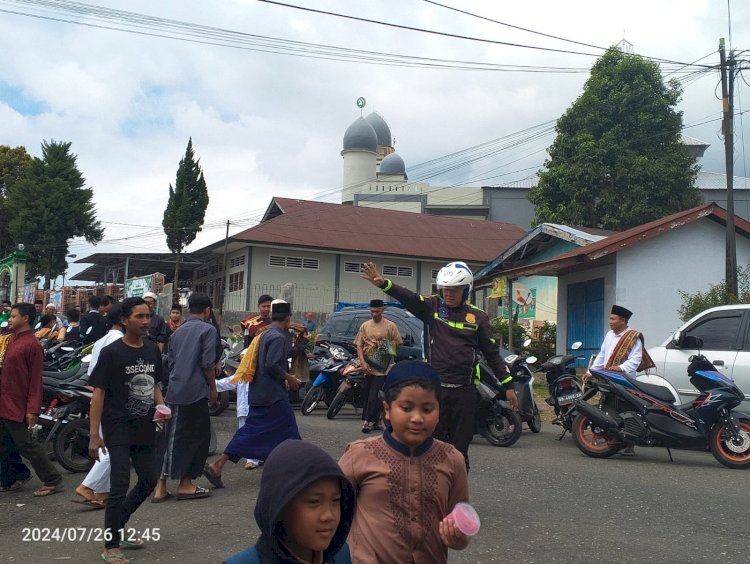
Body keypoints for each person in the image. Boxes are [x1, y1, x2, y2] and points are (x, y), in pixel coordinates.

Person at [361, 261, 516, 472]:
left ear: (466, 290)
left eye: (454, 290)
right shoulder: (431, 307)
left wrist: (508, 385)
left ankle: (456, 498)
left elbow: (491, 353)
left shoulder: (478, 317)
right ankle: (432, 495)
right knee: (433, 446)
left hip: (465, 392)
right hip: (436, 392)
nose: (449, 294)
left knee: (459, 451)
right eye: (445, 289)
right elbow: (409, 298)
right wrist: (384, 284)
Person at [339, 361, 470, 563]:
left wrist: (458, 538)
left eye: (427, 409)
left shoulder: (453, 460)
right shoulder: (359, 455)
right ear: (387, 409)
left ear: (439, 412)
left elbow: (460, 528)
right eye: (406, 408)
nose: (417, 418)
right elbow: (332, 514)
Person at [88, 297, 166, 563]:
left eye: (148, 316)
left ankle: (117, 529)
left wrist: (162, 407)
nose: (145, 321)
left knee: (148, 480)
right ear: (124, 320)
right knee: (119, 485)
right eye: (139, 317)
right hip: (118, 426)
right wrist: (94, 434)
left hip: (146, 426)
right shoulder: (112, 353)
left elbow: (155, 383)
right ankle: (110, 546)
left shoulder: (152, 349)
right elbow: (98, 394)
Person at [204, 300, 302, 485]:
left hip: (261, 393)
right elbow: (272, 365)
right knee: (284, 429)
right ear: (288, 318)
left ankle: (290, 467)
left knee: (267, 431)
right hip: (271, 395)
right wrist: (289, 378)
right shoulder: (278, 337)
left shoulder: (267, 333)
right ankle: (298, 467)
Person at [224, 439, 355, 564]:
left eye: (335, 500)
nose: (328, 516)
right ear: (281, 505)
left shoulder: (340, 555)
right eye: (314, 502)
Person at [152, 293, 218, 502]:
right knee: (195, 439)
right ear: (207, 310)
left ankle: (161, 486)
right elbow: (208, 363)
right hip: (195, 391)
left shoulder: (177, 332)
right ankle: (185, 484)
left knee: (171, 437)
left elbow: (169, 362)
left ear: (189, 309)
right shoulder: (208, 330)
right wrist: (213, 388)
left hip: (176, 389)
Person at [0, 303, 64, 497]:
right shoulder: (10, 340)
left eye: (13, 316)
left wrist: (33, 409)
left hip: (17, 404)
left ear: (25, 318)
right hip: (4, 400)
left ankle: (53, 479)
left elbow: (36, 380)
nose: (9, 319)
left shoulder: (32, 344)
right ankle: (15, 476)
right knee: (4, 442)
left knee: (26, 444)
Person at [72, 302, 124, 509]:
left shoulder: (102, 340)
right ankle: (87, 486)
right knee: (115, 449)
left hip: (99, 397)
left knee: (105, 445)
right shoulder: (121, 342)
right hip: (114, 400)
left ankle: (102, 493)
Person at [585, 304, 655, 457]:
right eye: (610, 318)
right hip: (608, 379)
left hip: (625, 380)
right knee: (609, 409)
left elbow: (636, 359)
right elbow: (602, 356)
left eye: (613, 319)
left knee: (626, 411)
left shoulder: (633, 337)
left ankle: (629, 445)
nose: (610, 321)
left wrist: (621, 368)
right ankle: (611, 442)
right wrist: (590, 372)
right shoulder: (609, 335)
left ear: (622, 320)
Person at [355, 299, 402, 434]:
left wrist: (383, 348)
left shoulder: (390, 326)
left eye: (377, 311)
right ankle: (376, 421)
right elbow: (359, 344)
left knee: (375, 394)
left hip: (383, 365)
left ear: (382, 310)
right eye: (372, 311)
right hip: (368, 364)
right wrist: (362, 362)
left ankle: (367, 422)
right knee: (368, 393)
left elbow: (398, 342)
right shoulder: (365, 326)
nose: (374, 314)